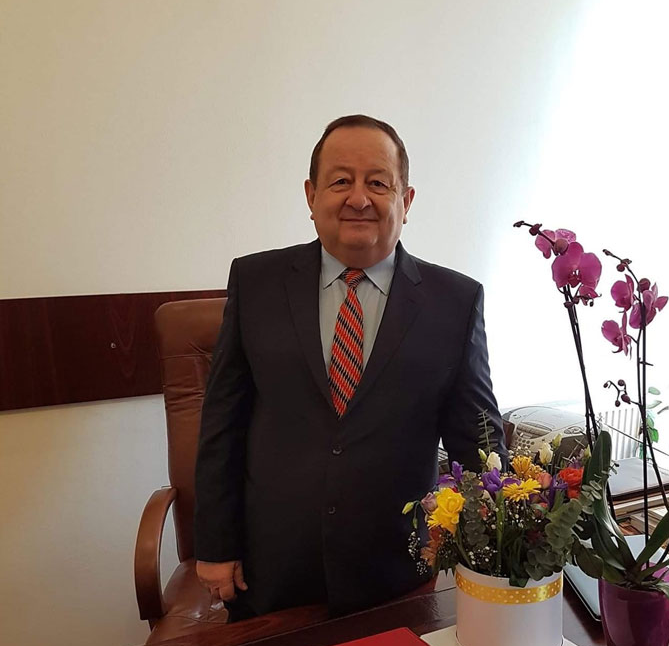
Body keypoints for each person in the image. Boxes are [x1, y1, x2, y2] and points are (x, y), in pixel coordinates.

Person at [194, 114, 506, 617]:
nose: (358, 199)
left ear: (406, 201)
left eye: (378, 183)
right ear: (311, 195)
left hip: (397, 571)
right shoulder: (256, 282)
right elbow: (222, 423)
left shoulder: (455, 301)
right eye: (340, 181)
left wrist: (499, 549)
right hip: (270, 567)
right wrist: (214, 544)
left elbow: (478, 443)